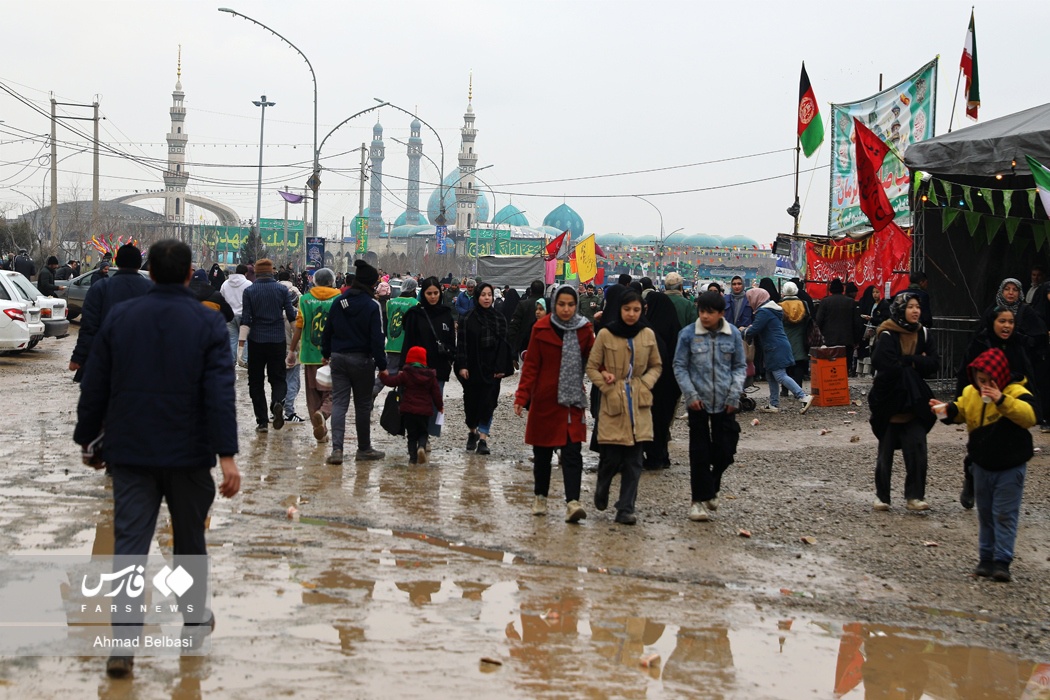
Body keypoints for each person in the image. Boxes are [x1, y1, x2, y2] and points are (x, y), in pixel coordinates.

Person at [73, 239, 240, 679]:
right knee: (189, 543)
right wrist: (228, 457)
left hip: (130, 452)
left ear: (151, 271)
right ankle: (191, 624)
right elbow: (220, 394)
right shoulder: (207, 324)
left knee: (129, 546)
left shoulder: (122, 318)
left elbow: (95, 384)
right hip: (189, 455)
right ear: (189, 275)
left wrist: (87, 439)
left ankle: (123, 647)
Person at [933, 348, 1036, 582]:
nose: (984, 386)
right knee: (986, 514)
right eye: (980, 381)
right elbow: (961, 410)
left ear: (1000, 377)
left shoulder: (1016, 392)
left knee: (1005, 514)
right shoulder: (971, 392)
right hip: (981, 464)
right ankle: (985, 558)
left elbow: (1029, 416)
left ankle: (1002, 561)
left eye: (989, 381)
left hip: (1010, 466)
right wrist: (944, 411)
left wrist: (1002, 400)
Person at [514, 284, 594, 521]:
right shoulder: (541, 329)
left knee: (572, 454)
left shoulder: (584, 330)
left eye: (570, 304)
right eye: (562, 304)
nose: (566, 309)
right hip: (545, 402)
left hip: (572, 402)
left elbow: (594, 360)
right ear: (554, 304)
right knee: (542, 455)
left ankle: (572, 502)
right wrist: (522, 396)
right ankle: (540, 496)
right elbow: (531, 367)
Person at [585, 289, 662, 525]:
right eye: (627, 309)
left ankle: (626, 508)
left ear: (642, 311)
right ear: (619, 309)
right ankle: (602, 486)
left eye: (636, 310)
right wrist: (606, 385)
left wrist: (645, 384)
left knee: (634, 460)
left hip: (638, 403)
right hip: (613, 402)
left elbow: (656, 365)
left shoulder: (648, 334)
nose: (631, 314)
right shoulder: (606, 334)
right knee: (611, 458)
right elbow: (591, 366)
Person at [673, 291, 747, 522]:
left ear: (721, 314)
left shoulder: (732, 334)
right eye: (702, 311)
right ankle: (697, 501)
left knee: (726, 450)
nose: (705, 316)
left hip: (726, 402)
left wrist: (735, 395)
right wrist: (690, 394)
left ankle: (712, 487)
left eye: (710, 312)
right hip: (698, 402)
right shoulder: (687, 335)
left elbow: (739, 366)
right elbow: (680, 366)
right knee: (699, 452)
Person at [868, 292, 939, 512]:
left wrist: (908, 361)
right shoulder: (887, 333)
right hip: (890, 401)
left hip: (915, 403)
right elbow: (884, 364)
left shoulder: (924, 333)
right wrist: (917, 363)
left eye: (918, 306)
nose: (915, 311)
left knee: (917, 451)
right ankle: (883, 497)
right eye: (910, 307)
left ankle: (915, 496)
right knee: (885, 455)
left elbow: (934, 364)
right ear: (900, 309)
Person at [321, 259, 387, 465]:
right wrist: (383, 366)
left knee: (340, 403)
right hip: (362, 361)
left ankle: (337, 450)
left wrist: (326, 353)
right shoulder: (372, 305)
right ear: (370, 284)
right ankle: (364, 449)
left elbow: (327, 330)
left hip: (338, 359)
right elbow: (377, 338)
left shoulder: (338, 302)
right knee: (362, 405)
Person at [69, 245, 152, 382]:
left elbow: (88, 327)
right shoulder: (151, 290)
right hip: (140, 363)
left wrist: (78, 357)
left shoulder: (101, 288)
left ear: (117, 262)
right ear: (139, 264)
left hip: (105, 361)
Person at [456, 282, 515, 455]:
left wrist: (501, 367)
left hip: (492, 369)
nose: (487, 298)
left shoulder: (499, 318)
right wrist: (462, 366)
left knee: (488, 404)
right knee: (471, 403)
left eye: (489, 295)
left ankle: (483, 439)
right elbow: (462, 344)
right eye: (483, 295)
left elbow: (504, 345)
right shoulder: (467, 318)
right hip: (473, 368)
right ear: (477, 296)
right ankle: (472, 432)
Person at [239, 259, 297, 433]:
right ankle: (277, 402)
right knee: (278, 378)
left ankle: (262, 422)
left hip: (256, 341)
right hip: (277, 340)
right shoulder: (282, 290)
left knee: (255, 382)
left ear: (256, 273)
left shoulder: (249, 291)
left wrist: (240, 348)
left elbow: (246, 319)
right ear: (272, 272)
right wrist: (295, 343)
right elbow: (291, 315)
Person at [287, 267, 340, 444]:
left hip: (309, 354)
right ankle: (323, 414)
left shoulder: (305, 299)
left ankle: (321, 431)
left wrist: (292, 351)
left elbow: (299, 327)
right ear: (332, 281)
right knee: (333, 392)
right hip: (333, 355)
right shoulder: (339, 298)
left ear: (314, 281)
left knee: (312, 394)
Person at [400, 276, 456, 441]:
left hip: (439, 368)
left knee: (435, 403)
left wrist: (450, 359)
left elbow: (451, 341)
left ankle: (426, 437)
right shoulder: (414, 314)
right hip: (417, 369)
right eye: (429, 293)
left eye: (436, 293)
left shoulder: (446, 314)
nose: (433, 296)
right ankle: (418, 437)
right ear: (423, 294)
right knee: (417, 404)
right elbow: (408, 342)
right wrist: (403, 367)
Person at [743, 288, 813, 413]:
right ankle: (773, 404)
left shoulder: (764, 312)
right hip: (776, 346)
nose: (749, 302)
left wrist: (743, 331)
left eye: (749, 299)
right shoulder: (770, 309)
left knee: (780, 375)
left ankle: (803, 396)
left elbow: (755, 329)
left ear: (756, 298)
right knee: (771, 376)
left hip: (775, 347)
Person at [379, 346, 443, 465]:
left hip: (408, 411)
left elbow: (391, 382)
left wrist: (382, 375)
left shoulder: (406, 374)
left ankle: (412, 459)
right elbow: (436, 394)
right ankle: (421, 448)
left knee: (412, 436)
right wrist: (440, 407)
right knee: (423, 432)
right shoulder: (431, 376)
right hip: (424, 411)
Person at [641, 291, 683, 470]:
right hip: (671, 382)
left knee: (653, 420)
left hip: (654, 384)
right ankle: (662, 455)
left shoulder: (651, 330)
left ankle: (654, 457)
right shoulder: (674, 327)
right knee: (662, 421)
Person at [816, 279, 862, 375]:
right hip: (847, 341)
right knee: (844, 367)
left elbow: (818, 321)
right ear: (842, 289)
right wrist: (856, 340)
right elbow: (857, 323)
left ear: (831, 289)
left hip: (829, 341)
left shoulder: (825, 302)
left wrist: (819, 339)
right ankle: (842, 386)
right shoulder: (851, 302)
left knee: (830, 367)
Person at [277, 270, 304, 423]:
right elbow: (298, 336)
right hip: (292, 353)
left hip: (277, 351)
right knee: (293, 382)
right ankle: (289, 412)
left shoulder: (276, 314)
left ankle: (277, 406)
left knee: (279, 381)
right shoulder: (296, 315)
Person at [779, 281, 811, 391]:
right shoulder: (803, 304)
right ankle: (798, 388)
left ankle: (784, 390)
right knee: (799, 363)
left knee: (785, 364)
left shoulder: (780, 306)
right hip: (800, 337)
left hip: (784, 337)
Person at [220, 264, 252, 365]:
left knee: (232, 339)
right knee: (245, 339)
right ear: (246, 273)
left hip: (229, 316)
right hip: (244, 316)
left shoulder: (225, 284)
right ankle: (244, 360)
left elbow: (221, 298)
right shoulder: (248, 284)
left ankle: (231, 361)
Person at [509, 279, 547, 358]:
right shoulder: (547, 305)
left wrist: (513, 348)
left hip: (524, 346)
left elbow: (514, 326)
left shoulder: (523, 305)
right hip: (544, 344)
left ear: (531, 291)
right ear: (543, 291)